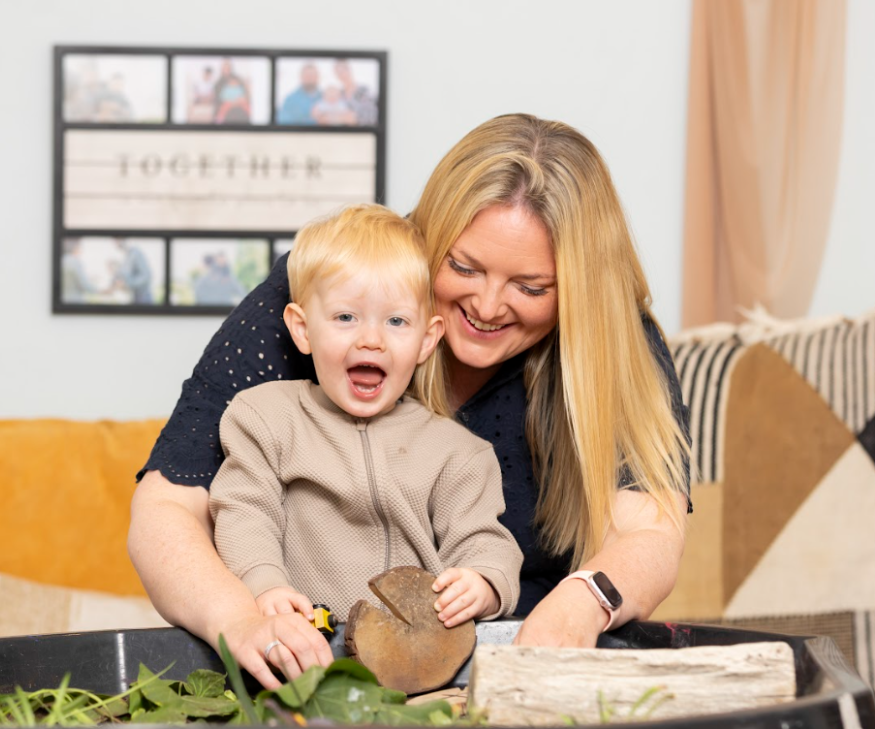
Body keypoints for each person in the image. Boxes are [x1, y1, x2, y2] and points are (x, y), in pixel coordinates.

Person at [129, 113, 692, 690]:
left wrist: (583, 602)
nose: (489, 305)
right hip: (312, 658)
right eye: (463, 267)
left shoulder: (615, 341)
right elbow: (167, 510)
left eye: (530, 288)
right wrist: (241, 619)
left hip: (510, 657)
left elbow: (649, 534)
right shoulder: (332, 285)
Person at [208, 204, 523, 628]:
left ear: (426, 340)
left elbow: (483, 538)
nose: (371, 340)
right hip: (309, 642)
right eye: (345, 317)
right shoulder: (265, 419)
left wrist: (484, 582)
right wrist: (265, 587)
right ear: (302, 329)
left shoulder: (458, 453)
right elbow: (245, 513)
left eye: (396, 320)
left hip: (419, 655)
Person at [333, 59, 378, 127]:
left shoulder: (364, 90)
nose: (341, 75)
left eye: (342, 71)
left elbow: (374, 115)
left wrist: (356, 119)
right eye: (338, 73)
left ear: (349, 70)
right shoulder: (339, 94)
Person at [112, 238, 154, 304]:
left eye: (117, 239)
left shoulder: (135, 253)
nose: (115, 242)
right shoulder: (126, 256)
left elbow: (146, 276)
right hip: (134, 299)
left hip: (143, 299)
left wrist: (127, 284)